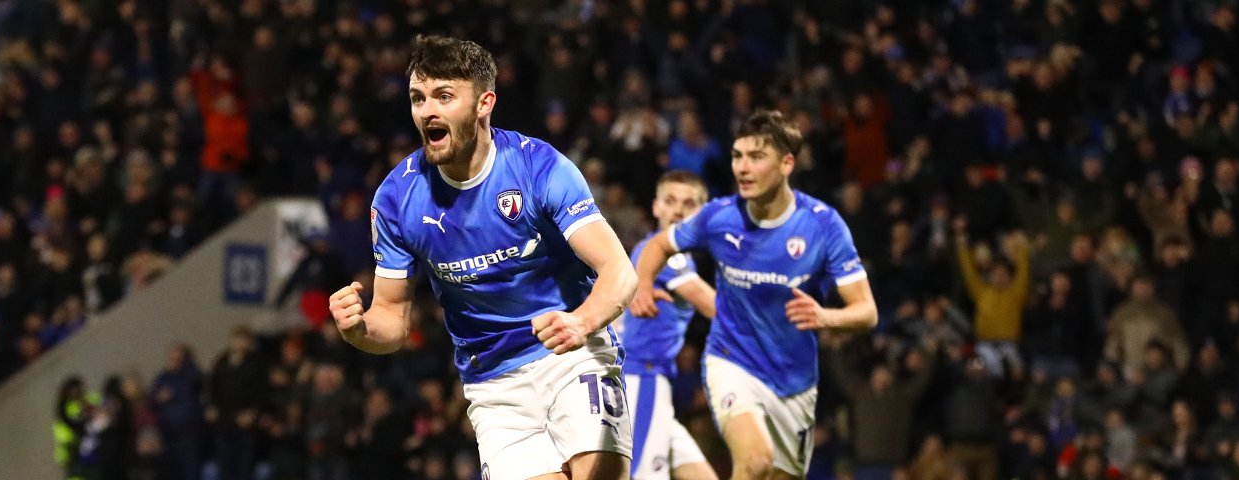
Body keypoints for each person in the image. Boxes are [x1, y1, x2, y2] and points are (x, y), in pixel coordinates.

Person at [328, 35, 636, 480]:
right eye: (418, 98)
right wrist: (358, 329)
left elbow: (618, 271)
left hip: (572, 353)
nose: (426, 110)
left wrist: (582, 322)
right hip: (494, 385)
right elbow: (391, 321)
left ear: (484, 103)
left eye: (444, 96)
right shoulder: (397, 199)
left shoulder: (539, 168)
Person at [631, 110, 879, 479]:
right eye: (737, 156)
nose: (743, 168)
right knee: (756, 459)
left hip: (794, 380)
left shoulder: (822, 225)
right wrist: (643, 285)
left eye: (756, 157)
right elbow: (658, 247)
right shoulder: (719, 217)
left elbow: (867, 312)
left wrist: (827, 317)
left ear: (786, 163)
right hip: (729, 361)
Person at [616, 170, 719, 480]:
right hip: (641, 377)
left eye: (688, 204)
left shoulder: (660, 253)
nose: (677, 210)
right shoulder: (663, 256)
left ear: (701, 213)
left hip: (649, 378)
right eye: (670, 201)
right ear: (655, 207)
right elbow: (715, 308)